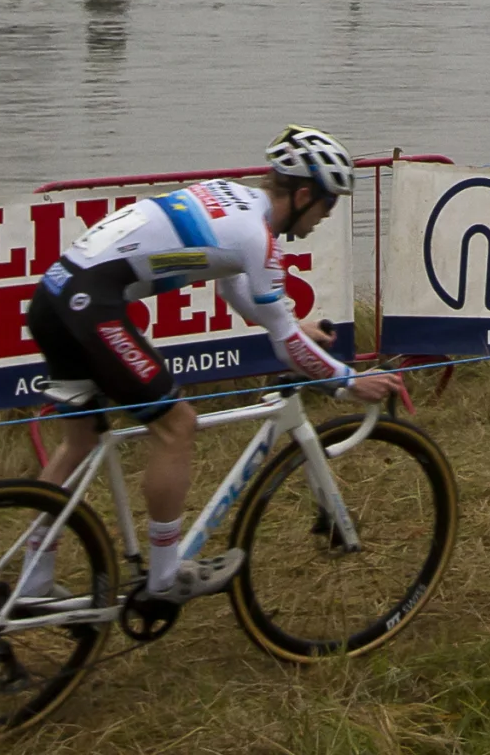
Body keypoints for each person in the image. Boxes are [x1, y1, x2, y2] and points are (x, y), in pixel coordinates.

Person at [26, 126, 405, 604]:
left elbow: (232, 286)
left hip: (54, 296)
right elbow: (287, 350)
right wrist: (349, 381)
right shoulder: (259, 237)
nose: (324, 219)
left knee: (79, 441)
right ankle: (165, 579)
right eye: (328, 206)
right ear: (306, 194)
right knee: (177, 426)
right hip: (92, 305)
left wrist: (286, 320)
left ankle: (33, 582)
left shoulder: (231, 197)